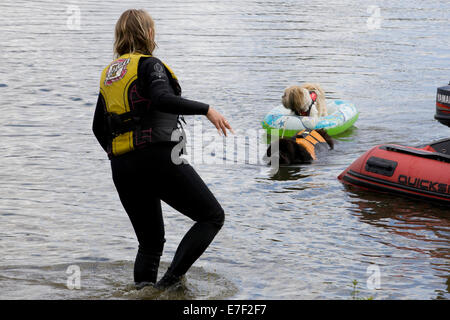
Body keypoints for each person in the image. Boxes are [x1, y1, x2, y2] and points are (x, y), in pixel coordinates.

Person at [92, 9, 233, 290]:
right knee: (211, 216)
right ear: (149, 33)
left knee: (150, 243)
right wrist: (206, 109)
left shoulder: (109, 74)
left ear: (119, 36)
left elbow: (98, 127)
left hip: (121, 165)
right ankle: (168, 285)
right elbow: (162, 98)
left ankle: (144, 293)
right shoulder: (150, 65)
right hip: (158, 157)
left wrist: (120, 155)